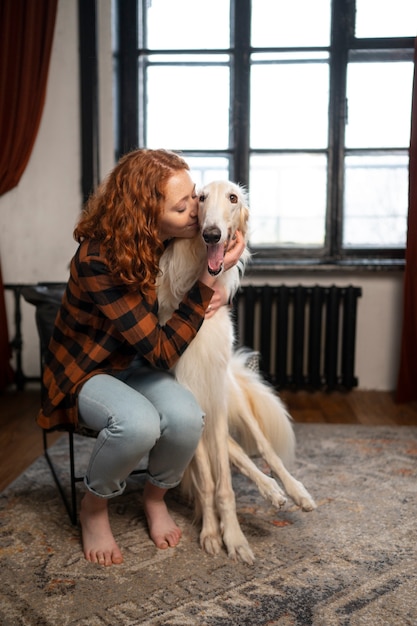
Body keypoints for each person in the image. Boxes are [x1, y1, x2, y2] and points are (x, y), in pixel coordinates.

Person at [37, 148, 245, 566]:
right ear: (146, 212)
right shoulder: (101, 259)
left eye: (195, 197)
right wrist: (207, 280)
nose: (196, 211)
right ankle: (94, 508)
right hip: (87, 371)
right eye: (182, 205)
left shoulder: (165, 244)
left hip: (134, 363)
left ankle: (155, 497)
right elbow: (164, 350)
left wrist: (217, 275)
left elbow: (188, 305)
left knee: (189, 418)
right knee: (139, 425)